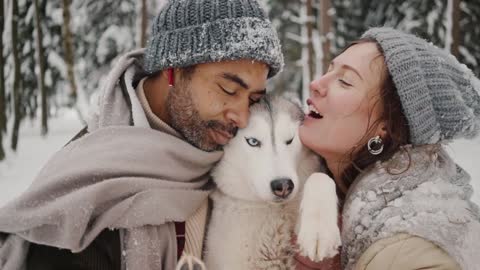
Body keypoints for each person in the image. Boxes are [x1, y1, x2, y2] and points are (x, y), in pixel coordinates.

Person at [0, 1, 283, 270]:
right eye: (229, 90)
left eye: (254, 99)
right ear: (173, 70)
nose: (242, 117)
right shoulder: (86, 192)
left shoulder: (243, 156)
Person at [297, 27, 480, 270]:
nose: (316, 84)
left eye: (344, 81)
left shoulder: (410, 249)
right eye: (329, 70)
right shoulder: (323, 198)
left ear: (385, 129)